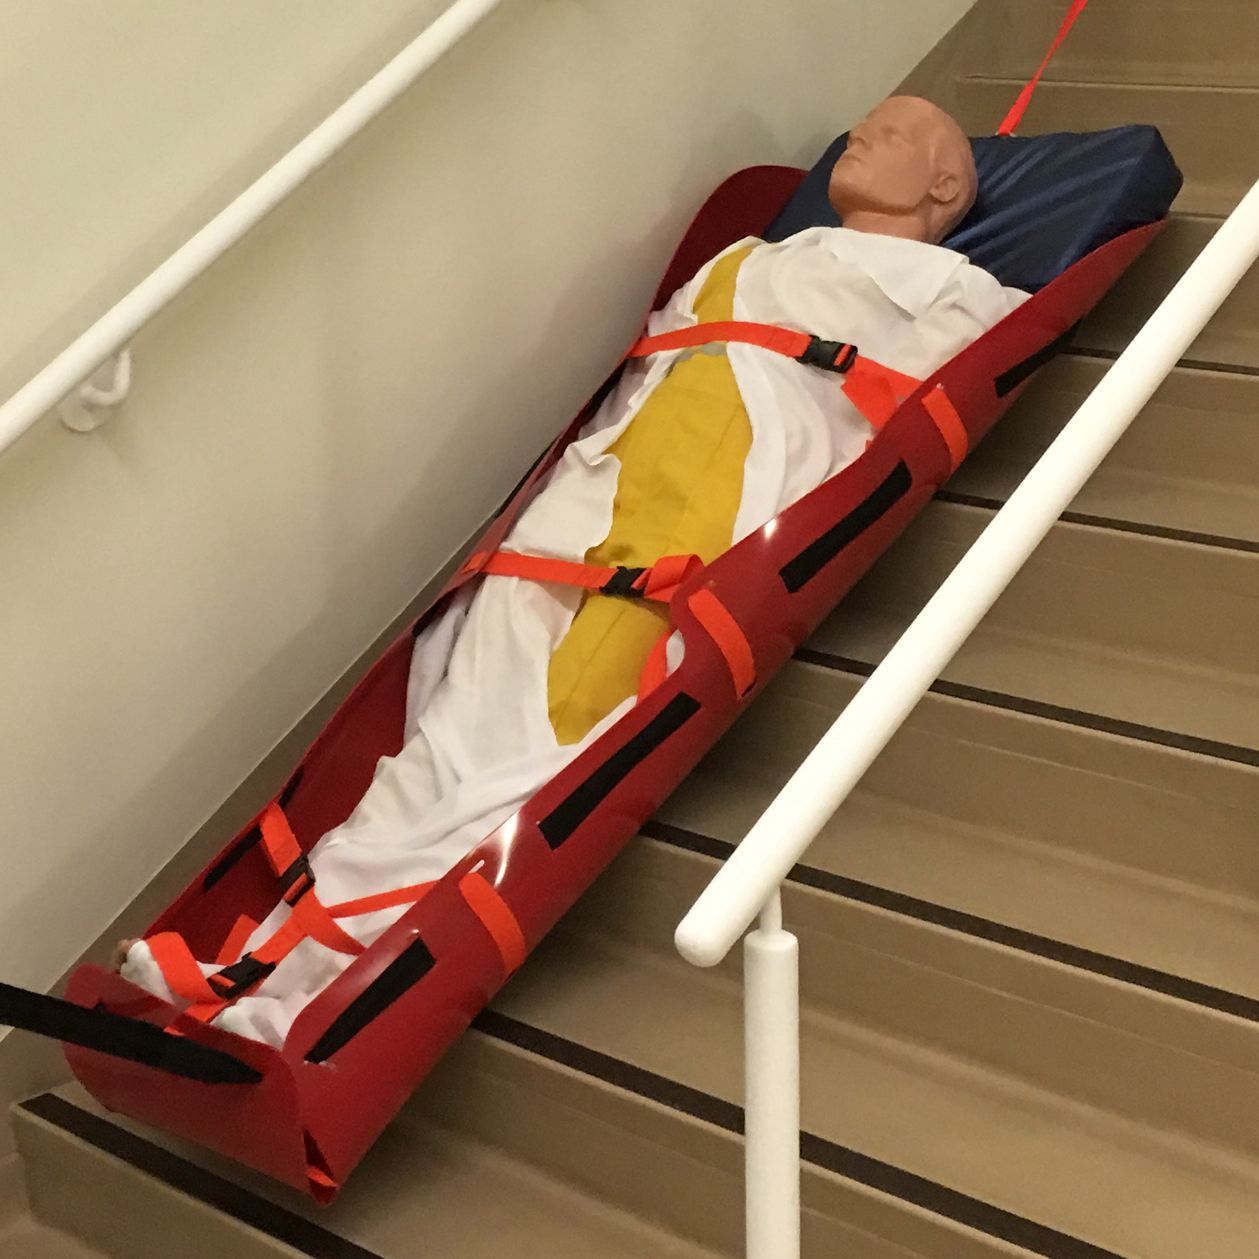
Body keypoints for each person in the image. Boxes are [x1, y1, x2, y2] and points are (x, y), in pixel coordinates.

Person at [118, 96, 1028, 1047]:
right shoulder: (743, 261)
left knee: (521, 767)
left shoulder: (955, 294)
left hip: (693, 532)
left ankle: (308, 1011)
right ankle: (255, 959)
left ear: (946, 184)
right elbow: (643, 375)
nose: (860, 135)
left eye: (894, 131)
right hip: (586, 510)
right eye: (864, 124)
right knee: (439, 743)